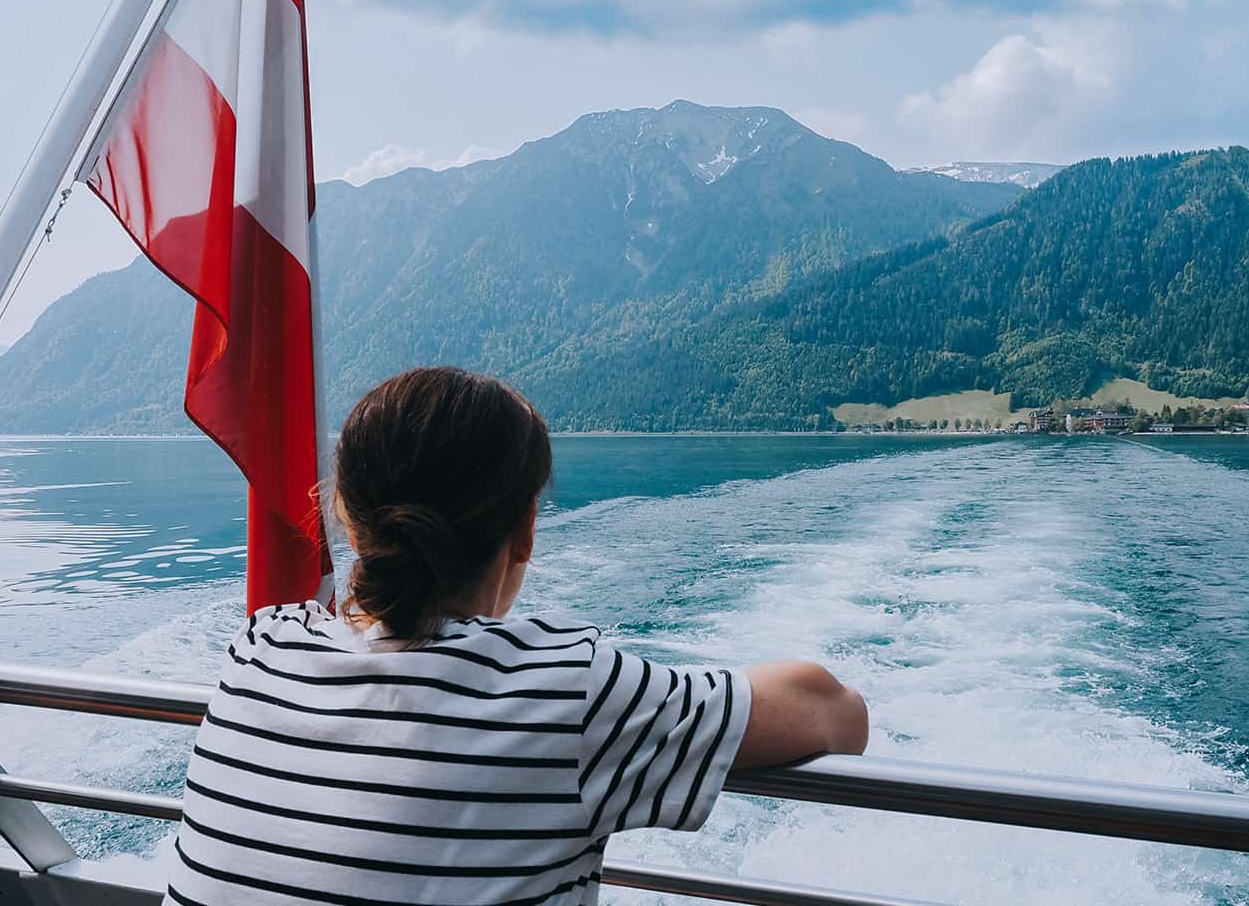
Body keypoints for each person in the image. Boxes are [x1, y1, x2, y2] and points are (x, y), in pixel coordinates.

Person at [165, 366, 868, 906]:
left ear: (347, 518)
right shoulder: (565, 694)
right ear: (526, 531)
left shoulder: (261, 648)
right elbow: (835, 712)